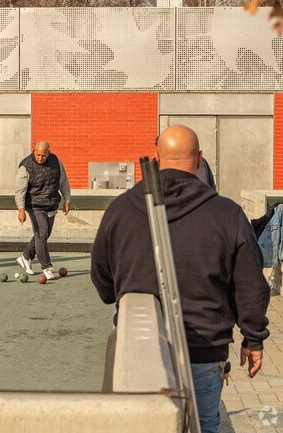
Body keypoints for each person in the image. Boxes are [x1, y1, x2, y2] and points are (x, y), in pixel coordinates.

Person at [91, 125, 270, 433]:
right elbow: (250, 284)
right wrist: (253, 338)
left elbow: (103, 282)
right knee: (202, 425)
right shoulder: (228, 214)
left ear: (157, 157)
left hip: (140, 348)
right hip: (203, 348)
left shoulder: (119, 209)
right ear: (200, 160)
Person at [14, 140, 71, 280]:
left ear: (48, 152)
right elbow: (19, 190)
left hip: (51, 204)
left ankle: (26, 257)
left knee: (44, 235)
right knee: (42, 233)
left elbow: (63, 181)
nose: (40, 158)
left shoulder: (56, 161)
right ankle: (46, 267)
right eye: (37, 155)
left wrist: (67, 199)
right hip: (34, 205)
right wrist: (21, 209)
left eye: (43, 155)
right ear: (34, 151)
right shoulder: (26, 166)